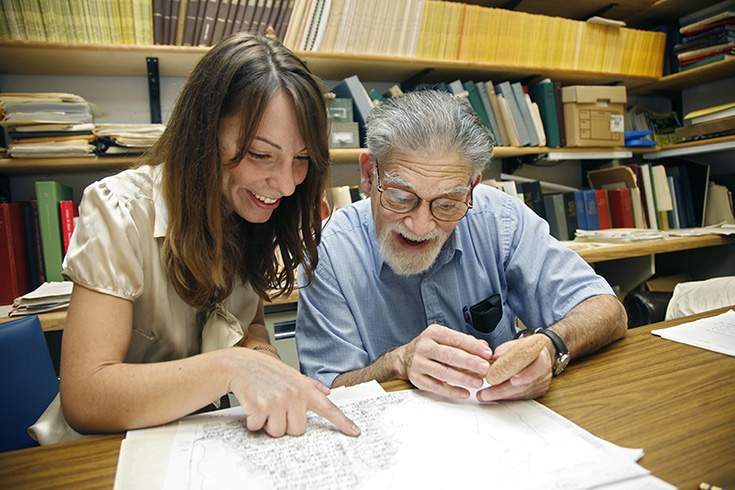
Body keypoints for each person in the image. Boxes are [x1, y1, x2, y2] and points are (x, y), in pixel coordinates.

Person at [30, 34, 360, 444]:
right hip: (96, 455)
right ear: (204, 133)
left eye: (302, 159)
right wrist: (232, 368)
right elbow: (86, 398)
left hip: (190, 443)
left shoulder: (247, 210)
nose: (288, 185)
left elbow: (250, 324)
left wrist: (263, 360)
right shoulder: (119, 209)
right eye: (261, 154)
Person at [296, 89, 627, 402]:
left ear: (472, 188)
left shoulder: (500, 218)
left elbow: (606, 309)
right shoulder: (327, 253)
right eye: (400, 198)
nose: (421, 226)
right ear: (369, 175)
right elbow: (328, 390)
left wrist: (551, 345)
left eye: (448, 204)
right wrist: (396, 363)